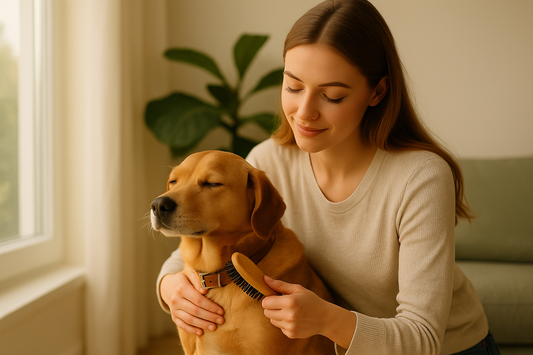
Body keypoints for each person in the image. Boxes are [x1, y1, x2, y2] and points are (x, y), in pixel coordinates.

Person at [157, 1, 501, 354]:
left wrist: (325, 319)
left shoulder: (420, 178)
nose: (304, 113)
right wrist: (170, 287)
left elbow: (422, 338)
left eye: (332, 95)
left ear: (377, 92)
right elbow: (205, 233)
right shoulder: (268, 161)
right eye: (293, 87)